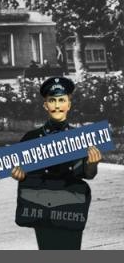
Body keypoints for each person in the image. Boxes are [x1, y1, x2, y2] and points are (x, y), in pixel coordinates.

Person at [10, 76, 102, 250]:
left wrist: (93, 163)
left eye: (62, 100)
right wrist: (19, 175)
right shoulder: (31, 138)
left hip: (71, 207)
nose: (57, 105)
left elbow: (88, 175)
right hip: (41, 207)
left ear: (69, 105)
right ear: (45, 105)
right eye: (52, 101)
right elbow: (22, 172)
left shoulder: (81, 139)